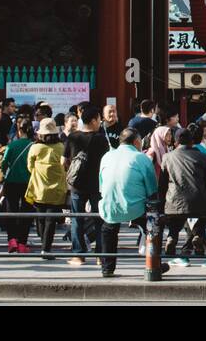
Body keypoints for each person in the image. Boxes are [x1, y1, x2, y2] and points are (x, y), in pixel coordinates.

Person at [97, 127, 161, 277]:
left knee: (108, 229)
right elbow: (152, 188)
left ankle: (107, 268)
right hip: (136, 207)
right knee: (153, 225)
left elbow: (101, 185)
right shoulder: (141, 158)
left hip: (109, 206)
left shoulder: (106, 156)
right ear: (137, 142)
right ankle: (154, 264)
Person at [160, 127, 206, 267]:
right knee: (201, 217)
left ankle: (172, 236)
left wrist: (160, 205)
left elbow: (162, 185)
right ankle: (198, 235)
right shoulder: (203, 157)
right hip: (199, 201)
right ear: (192, 141)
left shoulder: (167, 157)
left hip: (173, 201)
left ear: (176, 142)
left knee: (176, 219)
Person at [63, 106, 110, 267]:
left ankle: (78, 255)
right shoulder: (101, 139)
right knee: (99, 218)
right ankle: (99, 256)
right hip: (97, 185)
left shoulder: (73, 137)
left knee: (77, 218)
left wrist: (72, 171)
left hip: (77, 184)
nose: (100, 122)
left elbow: (63, 161)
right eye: (99, 119)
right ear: (94, 120)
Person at [25, 118, 68, 258]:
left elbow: (30, 167)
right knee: (51, 219)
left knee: (40, 218)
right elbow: (66, 165)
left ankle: (44, 243)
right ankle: (46, 248)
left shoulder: (35, 148)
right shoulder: (61, 147)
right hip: (57, 189)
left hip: (39, 187)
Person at [0, 117, 35, 253]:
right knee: (26, 212)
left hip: (11, 182)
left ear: (19, 131)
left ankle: (12, 240)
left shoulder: (11, 145)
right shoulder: (33, 145)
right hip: (28, 183)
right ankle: (22, 243)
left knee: (11, 211)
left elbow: (3, 164)